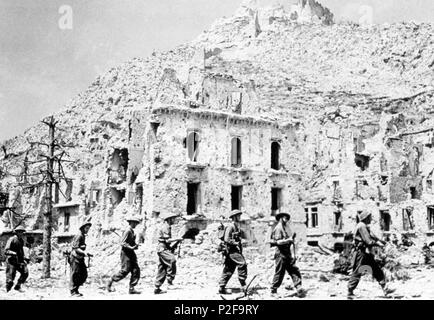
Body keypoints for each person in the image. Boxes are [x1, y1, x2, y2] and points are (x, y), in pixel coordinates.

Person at [347, 211, 396, 299]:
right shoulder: (362, 226)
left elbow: (373, 237)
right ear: (366, 218)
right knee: (357, 271)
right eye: (369, 217)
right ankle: (350, 292)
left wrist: (382, 242)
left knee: (376, 269)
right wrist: (378, 244)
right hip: (361, 253)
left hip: (366, 253)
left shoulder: (363, 226)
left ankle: (385, 289)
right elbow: (368, 241)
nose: (371, 218)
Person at [270, 212, 306, 297]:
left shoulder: (284, 228)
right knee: (280, 272)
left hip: (287, 253)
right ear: (281, 218)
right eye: (285, 218)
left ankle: (298, 287)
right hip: (281, 253)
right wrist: (288, 240)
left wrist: (290, 241)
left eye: (287, 218)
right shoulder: (278, 228)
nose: (286, 220)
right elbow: (278, 242)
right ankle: (273, 291)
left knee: (293, 269)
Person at [106, 216, 141, 294]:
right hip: (125, 253)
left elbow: (130, 243)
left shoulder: (132, 231)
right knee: (125, 270)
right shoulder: (127, 231)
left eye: (137, 223)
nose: (136, 224)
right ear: (131, 222)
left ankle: (132, 288)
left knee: (136, 270)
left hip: (131, 253)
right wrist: (131, 247)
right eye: (135, 223)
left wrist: (135, 246)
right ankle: (111, 280)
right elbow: (122, 242)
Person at [218, 209, 248, 295]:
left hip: (233, 250)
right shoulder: (230, 226)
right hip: (231, 250)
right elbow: (226, 239)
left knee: (229, 269)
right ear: (234, 217)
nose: (240, 217)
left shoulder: (236, 226)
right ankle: (243, 285)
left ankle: (221, 288)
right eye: (238, 216)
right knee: (242, 264)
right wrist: (236, 243)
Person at [154, 212, 184, 294]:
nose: (174, 220)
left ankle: (157, 287)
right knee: (172, 260)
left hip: (164, 248)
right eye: (173, 218)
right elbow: (167, 240)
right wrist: (177, 239)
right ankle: (170, 283)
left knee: (162, 268)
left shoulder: (168, 227)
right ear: (169, 219)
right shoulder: (165, 227)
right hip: (162, 249)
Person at [69, 218, 92, 297]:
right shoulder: (79, 235)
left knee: (83, 274)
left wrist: (86, 253)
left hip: (80, 257)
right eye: (86, 228)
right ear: (83, 228)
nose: (87, 230)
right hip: (75, 258)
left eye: (88, 228)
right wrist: (84, 252)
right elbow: (76, 248)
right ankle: (73, 291)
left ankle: (76, 289)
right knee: (75, 274)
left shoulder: (83, 236)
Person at [4, 225, 29, 292]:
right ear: (16, 232)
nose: (21, 233)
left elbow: (21, 252)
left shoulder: (21, 241)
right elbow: (6, 251)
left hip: (19, 261)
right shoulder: (11, 239)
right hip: (11, 261)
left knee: (25, 273)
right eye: (20, 232)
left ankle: (18, 286)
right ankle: (7, 292)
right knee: (10, 279)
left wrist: (24, 260)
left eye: (22, 232)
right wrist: (13, 253)